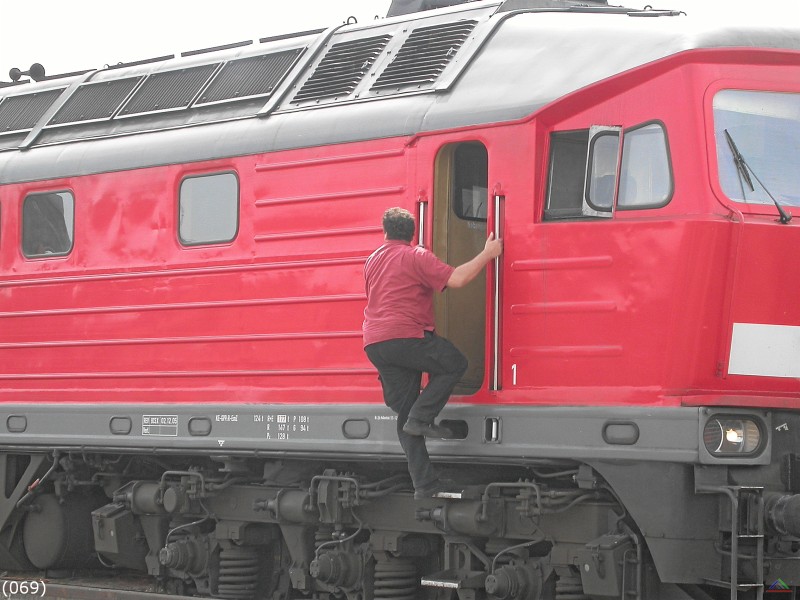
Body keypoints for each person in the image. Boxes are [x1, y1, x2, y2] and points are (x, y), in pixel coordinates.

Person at [363, 207, 503, 499]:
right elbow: (458, 279)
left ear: (385, 232)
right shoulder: (416, 256)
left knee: (405, 416)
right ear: (411, 233)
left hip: (375, 343)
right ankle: (421, 418)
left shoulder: (372, 260)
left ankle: (425, 486)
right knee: (454, 363)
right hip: (406, 336)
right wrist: (488, 253)